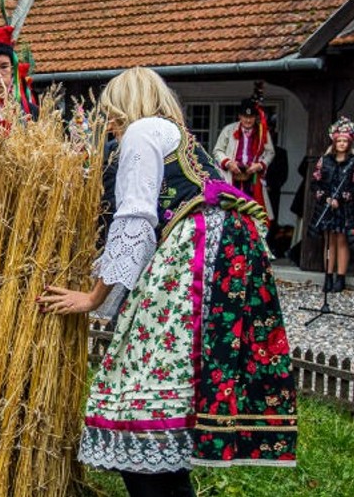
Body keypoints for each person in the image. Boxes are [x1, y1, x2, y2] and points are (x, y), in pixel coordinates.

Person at [40, 67, 296, 496]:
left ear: (127, 110)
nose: (115, 132)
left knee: (137, 387)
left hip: (196, 256)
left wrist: (94, 296)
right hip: (224, 262)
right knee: (167, 391)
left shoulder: (143, 131)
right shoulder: (181, 137)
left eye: (114, 120)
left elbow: (134, 221)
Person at [309, 117, 354, 293]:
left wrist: (340, 199)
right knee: (329, 241)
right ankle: (328, 275)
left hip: (345, 207)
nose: (341, 143)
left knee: (342, 240)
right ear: (334, 142)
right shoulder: (324, 160)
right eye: (338, 140)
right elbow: (315, 182)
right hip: (327, 206)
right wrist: (326, 198)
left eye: (345, 141)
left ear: (349, 143)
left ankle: (340, 278)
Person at [213, 98, 274, 213]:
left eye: (251, 117)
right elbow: (217, 150)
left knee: (253, 211)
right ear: (239, 116)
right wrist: (228, 163)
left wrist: (260, 165)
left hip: (253, 180)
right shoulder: (228, 130)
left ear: (255, 118)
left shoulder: (262, 132)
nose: (248, 120)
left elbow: (270, 152)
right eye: (245, 117)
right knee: (230, 210)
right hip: (231, 177)